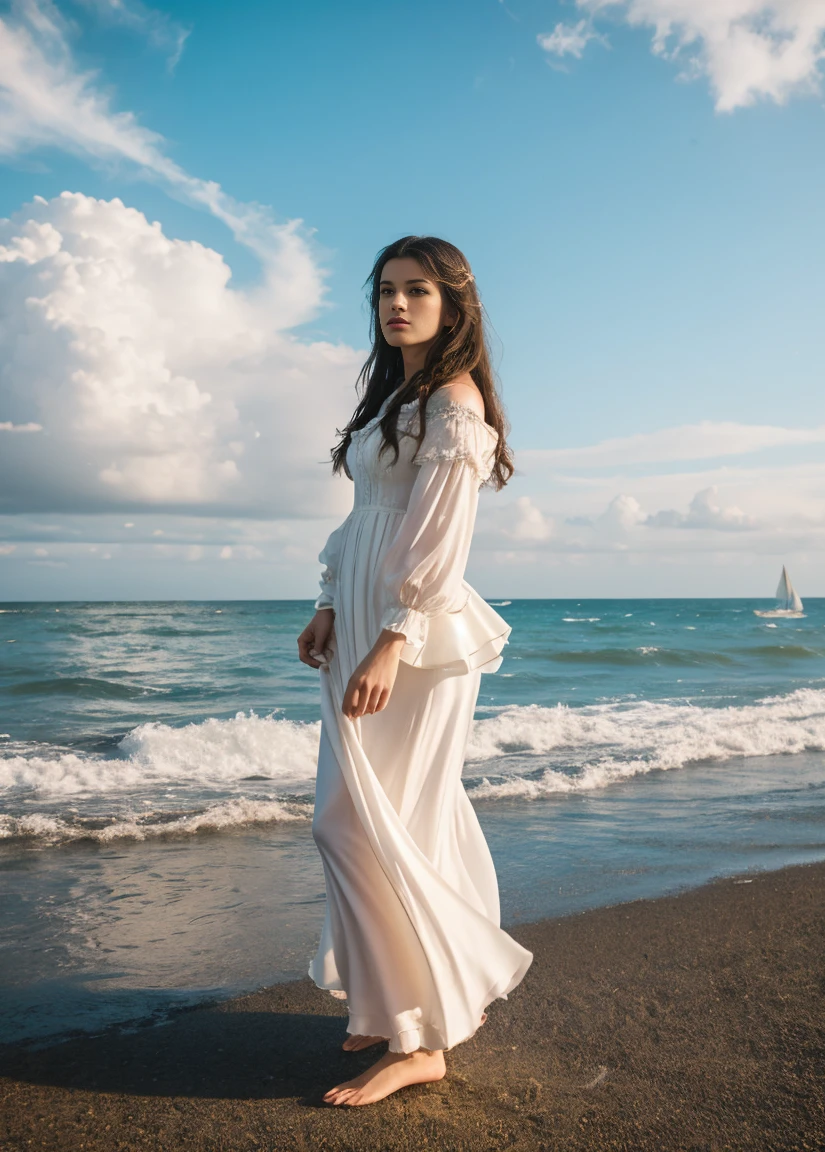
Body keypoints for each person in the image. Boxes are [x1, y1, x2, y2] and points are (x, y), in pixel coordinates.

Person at [297, 235, 533, 1107]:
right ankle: (387, 1005)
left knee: (368, 823)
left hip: (412, 637)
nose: (398, 305)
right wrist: (328, 600)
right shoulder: (395, 397)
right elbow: (366, 517)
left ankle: (421, 1038)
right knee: (357, 820)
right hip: (360, 620)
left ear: (453, 303)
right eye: (387, 291)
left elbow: (438, 537)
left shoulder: (453, 402)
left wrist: (392, 639)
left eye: (418, 291)